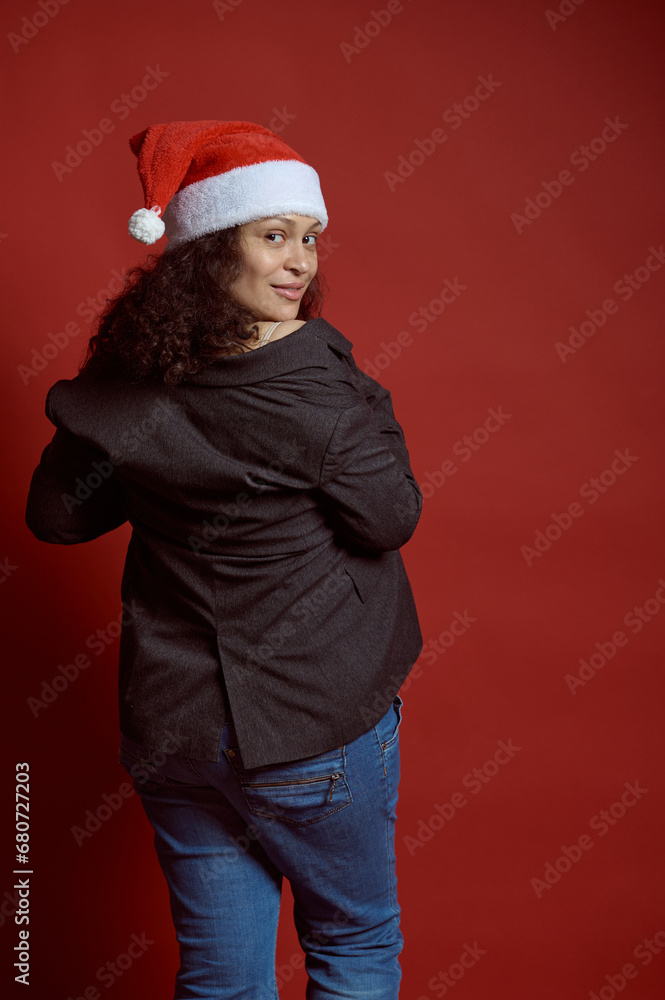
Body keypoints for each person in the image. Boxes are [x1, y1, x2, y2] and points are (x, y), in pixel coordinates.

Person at [25, 119, 423, 999]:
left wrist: (142, 432)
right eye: (273, 236)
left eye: (310, 237)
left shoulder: (131, 378)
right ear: (208, 250)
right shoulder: (317, 387)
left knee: (219, 973)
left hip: (175, 731)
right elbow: (390, 517)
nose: (300, 262)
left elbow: (58, 515)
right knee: (354, 947)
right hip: (310, 728)